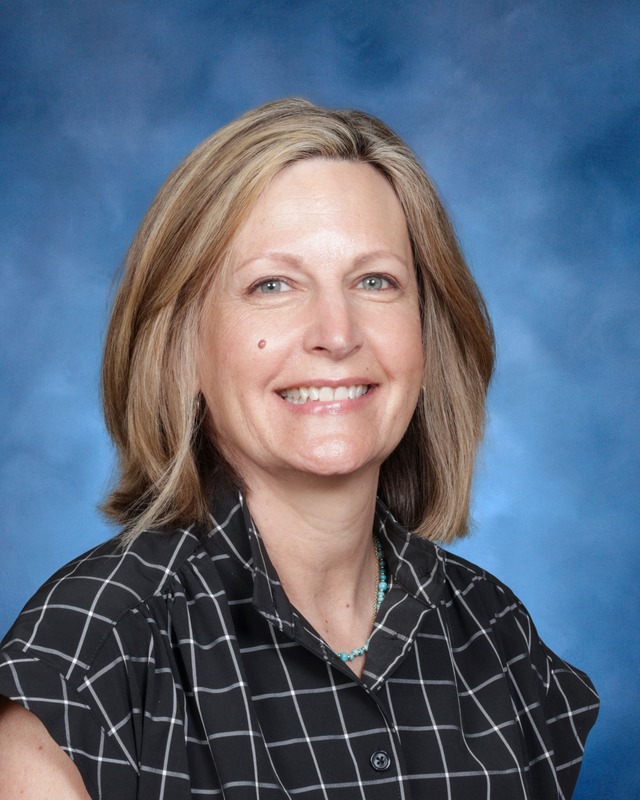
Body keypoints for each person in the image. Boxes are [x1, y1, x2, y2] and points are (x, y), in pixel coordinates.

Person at [0, 98, 598, 799]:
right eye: (273, 285)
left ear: (428, 336)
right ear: (182, 348)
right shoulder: (92, 653)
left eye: (375, 281)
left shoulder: (495, 633)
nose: (336, 333)